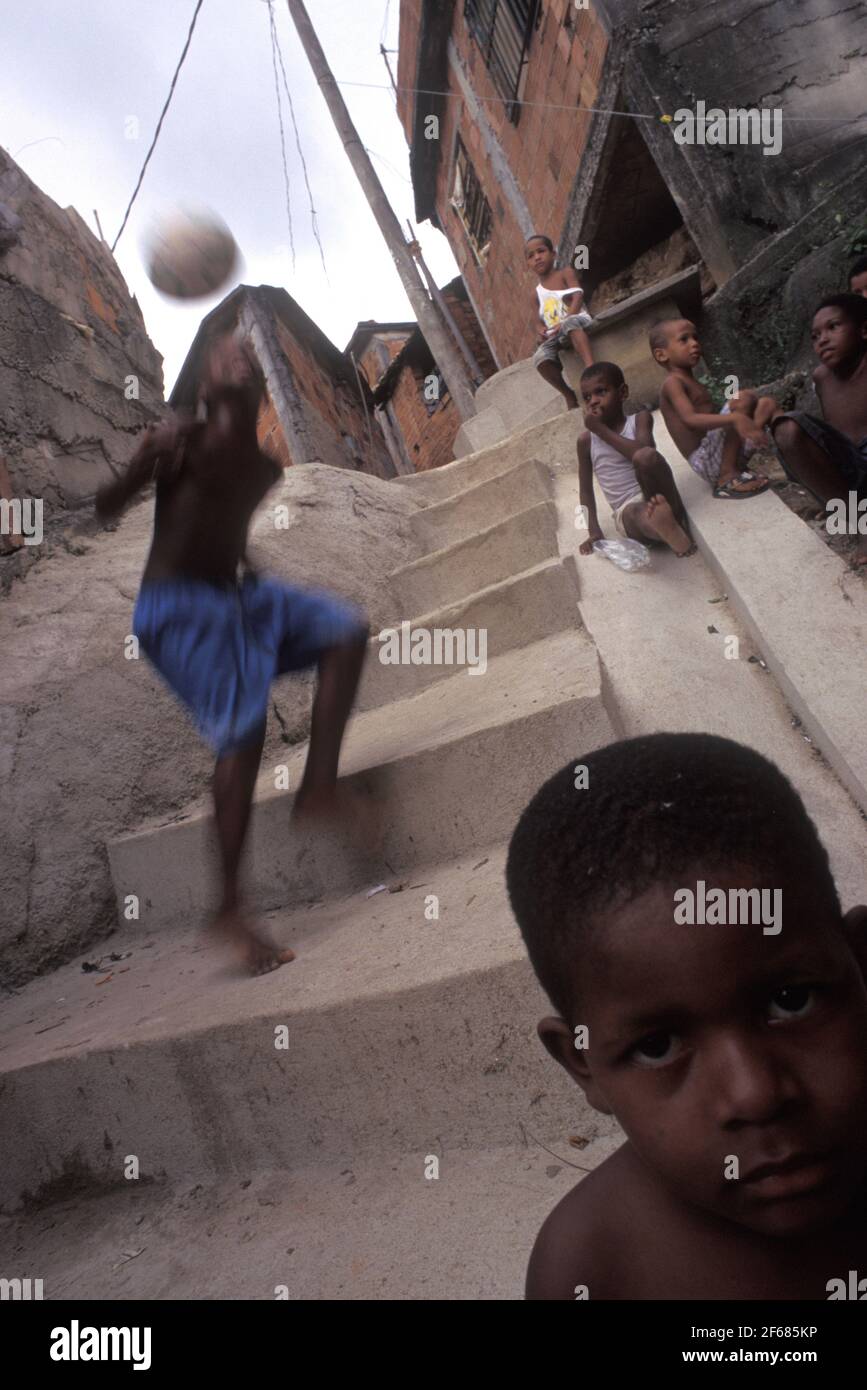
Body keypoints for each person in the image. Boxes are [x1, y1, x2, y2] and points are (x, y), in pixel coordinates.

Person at [506, 732, 867, 1300]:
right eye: (656, 1047)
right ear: (584, 1066)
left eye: (791, 1001)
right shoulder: (593, 1270)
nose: (754, 1095)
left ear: (862, 963)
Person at [95, 331, 370, 974]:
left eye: (248, 351)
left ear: (262, 382)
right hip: (178, 611)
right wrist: (139, 467)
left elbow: (223, 525)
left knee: (344, 630)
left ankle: (320, 787)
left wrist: (251, 568)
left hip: (237, 599)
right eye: (224, 355)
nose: (239, 356)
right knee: (243, 735)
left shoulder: (266, 467)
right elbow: (106, 509)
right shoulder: (179, 440)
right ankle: (228, 908)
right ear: (206, 384)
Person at [771, 294, 867, 569]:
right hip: (854, 469)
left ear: (864, 330)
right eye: (815, 336)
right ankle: (860, 523)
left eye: (833, 327)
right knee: (787, 429)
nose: (822, 339)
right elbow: (835, 437)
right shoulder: (822, 378)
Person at [576, 361, 695, 559]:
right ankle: (665, 529)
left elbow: (642, 453)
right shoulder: (586, 442)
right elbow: (585, 490)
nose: (593, 401)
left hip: (658, 493)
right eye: (587, 397)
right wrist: (594, 531)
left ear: (622, 393)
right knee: (634, 515)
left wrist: (600, 430)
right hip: (627, 507)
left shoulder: (640, 419)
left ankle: (667, 518)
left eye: (601, 392)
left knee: (646, 456)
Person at [651, 318, 775, 499]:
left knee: (767, 404)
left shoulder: (692, 380)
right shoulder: (672, 383)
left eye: (695, 338)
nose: (694, 344)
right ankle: (726, 478)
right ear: (662, 355)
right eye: (684, 339)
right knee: (742, 399)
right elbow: (691, 420)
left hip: (720, 454)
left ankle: (741, 466)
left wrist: (743, 421)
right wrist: (736, 418)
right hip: (705, 460)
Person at [527, 234, 594, 407]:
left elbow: (578, 296)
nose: (537, 257)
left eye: (541, 251)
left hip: (577, 320)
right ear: (528, 264)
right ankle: (568, 394)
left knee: (569, 323)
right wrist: (541, 331)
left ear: (553, 254)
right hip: (556, 334)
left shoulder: (565, 273)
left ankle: (591, 369)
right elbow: (537, 322)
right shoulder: (535, 294)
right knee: (540, 357)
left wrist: (566, 318)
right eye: (531, 256)